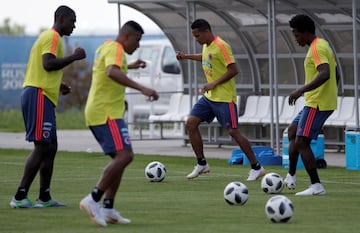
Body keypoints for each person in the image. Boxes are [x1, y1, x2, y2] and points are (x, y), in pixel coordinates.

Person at [79, 20, 159, 227]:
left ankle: (108, 208)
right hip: (106, 113)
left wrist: (131, 66)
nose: (138, 45)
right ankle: (93, 199)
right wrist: (143, 89)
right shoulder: (116, 49)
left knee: (120, 160)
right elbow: (112, 72)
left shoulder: (106, 47)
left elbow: (112, 68)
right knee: (125, 155)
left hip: (101, 111)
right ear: (127, 37)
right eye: (137, 40)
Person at [9, 5, 86, 208]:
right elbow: (47, 64)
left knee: (50, 147)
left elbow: (42, 68)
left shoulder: (50, 38)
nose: (74, 26)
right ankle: (19, 196)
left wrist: (58, 85)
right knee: (42, 146)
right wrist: (74, 57)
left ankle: (44, 196)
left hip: (43, 94)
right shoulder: (52, 36)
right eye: (72, 21)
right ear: (61, 19)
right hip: (38, 95)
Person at [176, 19, 265, 181]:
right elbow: (205, 57)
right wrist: (186, 56)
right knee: (191, 123)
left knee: (233, 131)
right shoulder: (206, 46)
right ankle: (202, 163)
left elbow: (234, 69)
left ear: (206, 31)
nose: (196, 39)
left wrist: (214, 83)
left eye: (197, 36)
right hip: (209, 97)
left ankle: (256, 167)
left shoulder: (222, 46)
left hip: (224, 98)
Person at [284, 14, 338, 196]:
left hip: (317, 104)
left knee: (301, 141)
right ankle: (291, 175)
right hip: (314, 101)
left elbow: (326, 73)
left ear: (306, 33)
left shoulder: (317, 48)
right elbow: (336, 73)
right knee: (292, 131)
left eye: (297, 35)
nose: (296, 39)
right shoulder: (322, 45)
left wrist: (300, 91)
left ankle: (316, 186)